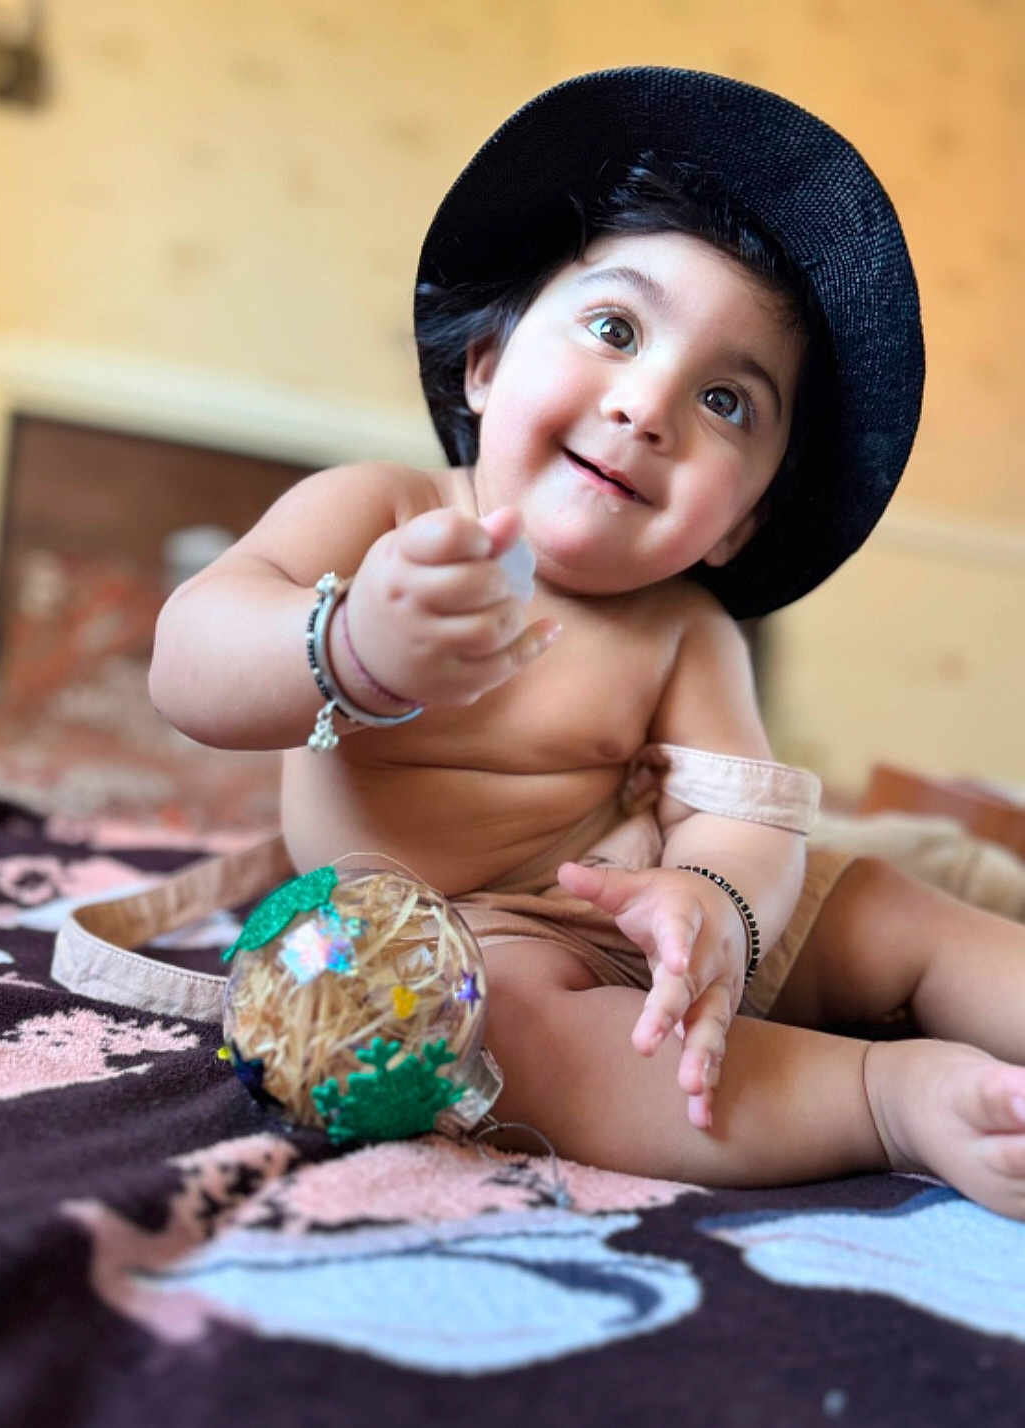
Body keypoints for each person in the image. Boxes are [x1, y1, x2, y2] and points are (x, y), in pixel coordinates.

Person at [149, 68, 1025, 1220]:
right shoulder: (382, 518)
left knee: (898, 915)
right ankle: (884, 1097)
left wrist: (711, 900)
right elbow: (188, 665)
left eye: (728, 403)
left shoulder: (687, 633)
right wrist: (347, 646)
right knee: (511, 1041)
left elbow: (742, 815)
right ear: (488, 361)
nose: (649, 403)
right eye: (614, 328)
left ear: (742, 521)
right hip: (472, 939)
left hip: (673, 920)